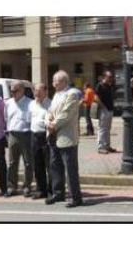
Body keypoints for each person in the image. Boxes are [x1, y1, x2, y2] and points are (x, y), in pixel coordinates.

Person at [46, 70, 83, 208]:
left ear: (64, 81)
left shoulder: (72, 94)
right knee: (55, 166)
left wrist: (53, 124)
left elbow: (66, 113)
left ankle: (75, 197)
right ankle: (58, 193)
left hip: (66, 136)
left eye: (56, 80)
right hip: (53, 134)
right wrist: (48, 121)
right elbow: (50, 111)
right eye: (53, 80)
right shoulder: (56, 95)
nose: (53, 83)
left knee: (70, 168)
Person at [5, 81, 34, 198]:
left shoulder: (30, 103)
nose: (13, 93)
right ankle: (12, 186)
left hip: (26, 134)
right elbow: (6, 118)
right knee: (12, 162)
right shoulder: (8, 103)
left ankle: (27, 186)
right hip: (12, 134)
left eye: (15, 90)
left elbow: (32, 120)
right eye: (11, 90)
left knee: (28, 162)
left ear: (22, 90)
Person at [28, 83, 52, 199]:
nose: (36, 93)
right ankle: (41, 190)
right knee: (37, 165)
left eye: (39, 91)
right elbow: (29, 120)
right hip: (34, 136)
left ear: (45, 92)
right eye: (35, 91)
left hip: (46, 136)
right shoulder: (32, 104)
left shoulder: (50, 104)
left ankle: (51, 190)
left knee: (49, 165)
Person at [95, 70, 116, 154]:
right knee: (102, 129)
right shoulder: (100, 85)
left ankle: (107, 146)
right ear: (104, 77)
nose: (111, 78)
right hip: (104, 110)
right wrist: (103, 107)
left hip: (110, 109)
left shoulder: (109, 85)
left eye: (111, 77)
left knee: (108, 129)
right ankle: (100, 147)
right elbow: (96, 98)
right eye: (109, 77)